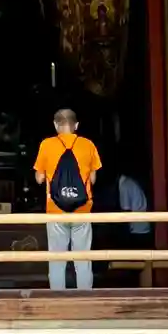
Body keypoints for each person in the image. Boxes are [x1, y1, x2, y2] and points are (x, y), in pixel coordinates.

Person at [33, 108, 101, 291]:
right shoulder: (88, 145)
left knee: (56, 260)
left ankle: (57, 299)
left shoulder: (46, 145)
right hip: (82, 211)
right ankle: (85, 298)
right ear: (76, 125)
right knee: (83, 259)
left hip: (55, 210)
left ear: (55, 125)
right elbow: (93, 179)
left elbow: (39, 178)